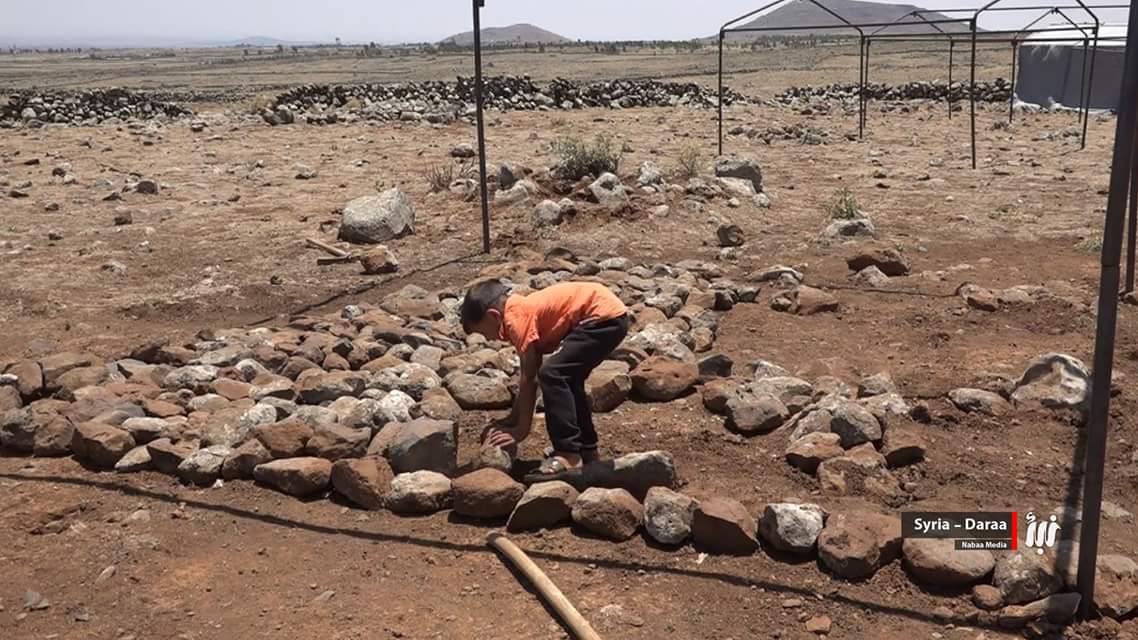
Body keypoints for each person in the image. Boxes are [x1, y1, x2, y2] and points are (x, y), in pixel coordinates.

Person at [460, 279, 629, 480]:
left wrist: (521, 431)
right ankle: (587, 451)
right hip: (609, 316)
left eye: (482, 331)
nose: (487, 338)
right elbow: (527, 377)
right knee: (568, 379)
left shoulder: (515, 318)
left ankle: (568, 455)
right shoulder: (518, 311)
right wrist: (512, 420)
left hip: (601, 317)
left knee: (552, 374)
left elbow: (530, 378)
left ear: (493, 316)